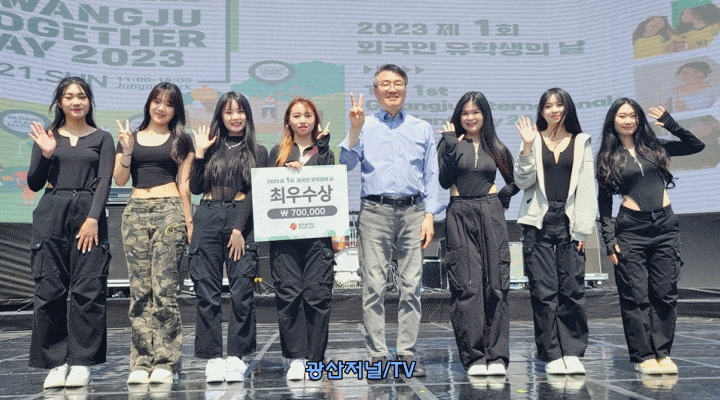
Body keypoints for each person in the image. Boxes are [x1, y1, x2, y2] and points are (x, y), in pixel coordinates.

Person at [339, 64, 443, 377]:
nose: (392, 88)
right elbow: (346, 163)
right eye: (385, 83)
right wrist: (354, 129)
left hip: (414, 212)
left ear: (406, 88)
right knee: (374, 286)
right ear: (376, 91)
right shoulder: (364, 125)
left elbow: (432, 174)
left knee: (412, 286)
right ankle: (377, 356)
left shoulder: (421, 128)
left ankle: (406, 354)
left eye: (398, 83)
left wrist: (430, 215)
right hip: (375, 211)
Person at [596, 99, 704, 374]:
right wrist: (609, 239)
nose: (628, 120)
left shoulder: (656, 147)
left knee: (665, 293)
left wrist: (670, 124)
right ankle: (643, 356)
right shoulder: (608, 156)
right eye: (622, 116)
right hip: (631, 229)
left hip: (665, 226)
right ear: (613, 121)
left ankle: (662, 353)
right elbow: (604, 202)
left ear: (640, 119)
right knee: (635, 295)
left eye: (633, 115)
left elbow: (696, 146)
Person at [27, 77, 114, 389]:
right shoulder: (48, 137)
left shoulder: (103, 138)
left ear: (89, 102)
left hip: (88, 212)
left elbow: (105, 180)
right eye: (68, 96)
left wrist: (93, 218)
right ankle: (54, 362)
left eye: (82, 96)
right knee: (49, 289)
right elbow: (34, 183)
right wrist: (47, 154)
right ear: (60, 102)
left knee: (88, 289)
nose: (76, 101)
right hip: (52, 210)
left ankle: (81, 362)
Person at [114, 82, 194, 384]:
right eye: (157, 101)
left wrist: (189, 221)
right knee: (139, 291)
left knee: (164, 290)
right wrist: (127, 151)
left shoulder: (181, 139)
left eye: (169, 104)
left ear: (176, 110)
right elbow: (120, 180)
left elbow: (184, 184)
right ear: (149, 104)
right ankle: (141, 362)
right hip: (135, 212)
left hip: (169, 211)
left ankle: (166, 362)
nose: (161, 108)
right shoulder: (130, 137)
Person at [514, 88, 596, 375]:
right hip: (538, 221)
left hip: (569, 221)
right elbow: (522, 181)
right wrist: (527, 147)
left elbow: (587, 188)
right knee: (543, 290)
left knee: (572, 288)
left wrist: (583, 229)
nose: (554, 110)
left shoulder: (581, 141)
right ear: (541, 111)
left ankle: (572, 352)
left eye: (559, 104)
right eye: (548, 106)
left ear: (567, 108)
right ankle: (550, 353)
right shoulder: (533, 139)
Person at [437, 91, 519, 376]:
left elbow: (517, 180)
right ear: (458, 116)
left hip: (490, 212)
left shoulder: (495, 146)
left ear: (485, 115)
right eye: (465, 113)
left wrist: (502, 198)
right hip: (459, 212)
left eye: (476, 112)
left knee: (496, 283)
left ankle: (497, 355)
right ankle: (473, 357)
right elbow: (444, 181)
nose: (470, 117)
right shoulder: (449, 143)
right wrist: (450, 148)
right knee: (467, 285)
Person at [188, 92, 267, 383]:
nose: (235, 117)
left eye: (240, 111)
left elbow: (255, 191)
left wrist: (238, 228)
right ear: (220, 116)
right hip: (207, 217)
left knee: (241, 291)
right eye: (229, 112)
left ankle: (236, 356)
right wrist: (199, 154)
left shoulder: (259, 151)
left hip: (240, 220)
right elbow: (196, 188)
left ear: (248, 115)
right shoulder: (209, 146)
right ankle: (212, 357)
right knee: (206, 292)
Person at [268, 98, 335, 381]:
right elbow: (265, 189)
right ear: (288, 120)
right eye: (296, 115)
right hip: (285, 237)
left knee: (317, 296)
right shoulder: (277, 152)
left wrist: (324, 148)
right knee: (289, 294)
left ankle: (315, 359)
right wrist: (284, 171)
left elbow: (331, 184)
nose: (302, 120)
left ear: (316, 119)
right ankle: (297, 358)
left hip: (317, 237)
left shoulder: (325, 151)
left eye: (308, 115)